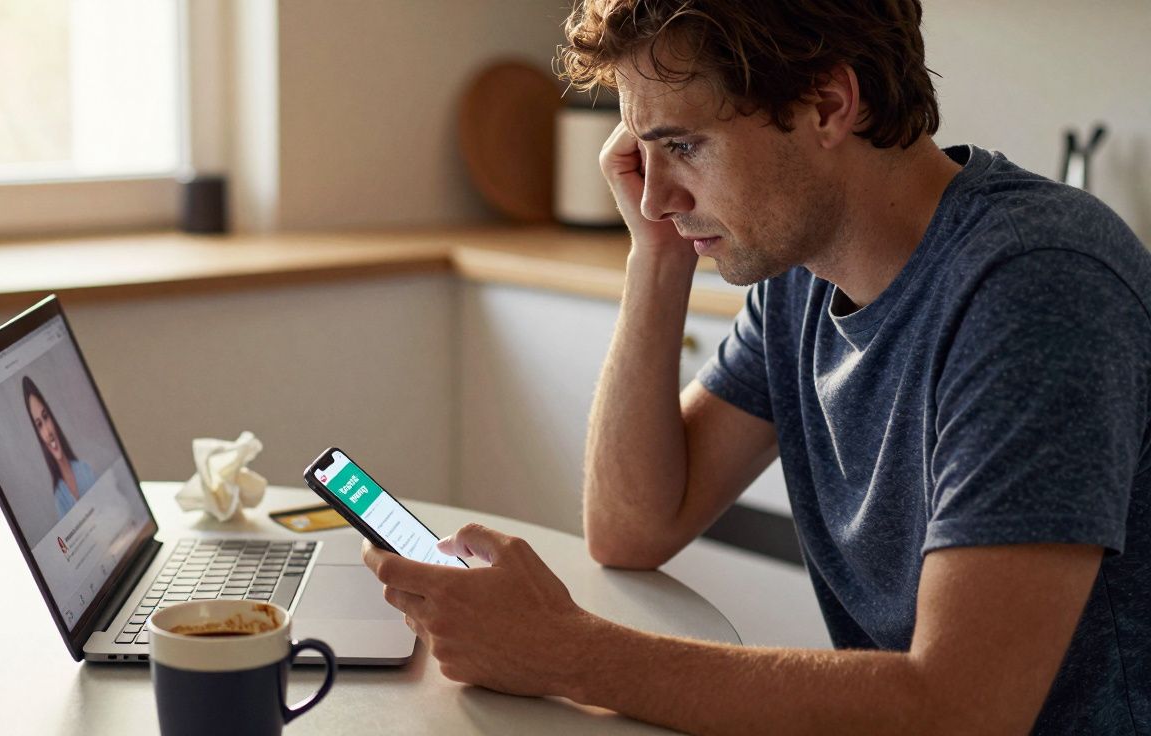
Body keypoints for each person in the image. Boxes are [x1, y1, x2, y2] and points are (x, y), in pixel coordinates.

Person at [361, 1, 1150, 733]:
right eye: (644, 150)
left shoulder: (1037, 285)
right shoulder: (802, 276)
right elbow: (634, 526)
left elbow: (962, 709)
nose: (654, 193)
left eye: (683, 145)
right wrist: (657, 256)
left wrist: (566, 652)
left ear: (827, 106)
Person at [23, 376, 96, 521]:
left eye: (46, 417)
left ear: (52, 418)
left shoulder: (85, 469)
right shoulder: (59, 498)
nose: (48, 431)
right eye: (39, 425)